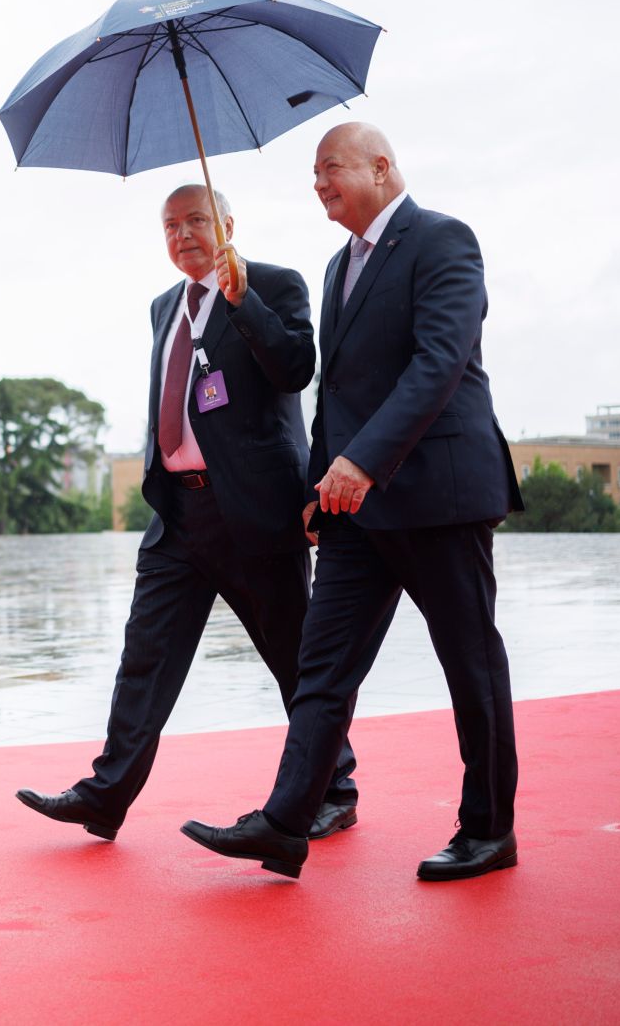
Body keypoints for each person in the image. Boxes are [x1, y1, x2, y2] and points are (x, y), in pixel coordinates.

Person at [182, 123, 523, 881]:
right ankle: (285, 821)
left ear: (382, 165)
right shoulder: (338, 267)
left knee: (469, 662)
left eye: (329, 167)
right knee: (321, 668)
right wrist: (315, 485)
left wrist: (363, 462)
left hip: (439, 495)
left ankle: (489, 828)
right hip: (349, 512)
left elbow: (439, 365)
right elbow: (331, 396)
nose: (319, 183)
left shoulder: (443, 241)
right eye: (312, 173)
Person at [16, 185, 357, 842]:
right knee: (144, 657)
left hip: (255, 512)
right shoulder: (161, 307)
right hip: (177, 513)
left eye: (197, 220)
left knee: (295, 658)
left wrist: (241, 301)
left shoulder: (276, 284)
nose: (183, 235)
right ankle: (106, 793)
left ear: (227, 224)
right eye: (170, 226)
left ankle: (334, 787)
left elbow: (295, 370)